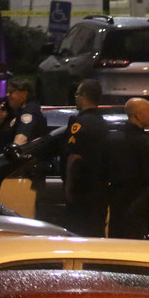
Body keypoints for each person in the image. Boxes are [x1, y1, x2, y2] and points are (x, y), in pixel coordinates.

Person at [107, 97, 149, 238]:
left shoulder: (113, 138)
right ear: (138, 115)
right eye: (148, 111)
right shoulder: (145, 141)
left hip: (116, 198)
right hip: (138, 198)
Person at [63, 78, 110, 236]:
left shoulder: (79, 123)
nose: (75, 98)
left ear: (83, 96)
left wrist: (69, 189)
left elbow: (73, 158)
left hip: (81, 193)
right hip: (100, 192)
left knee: (76, 236)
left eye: (77, 95)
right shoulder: (104, 124)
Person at [0, 78, 48, 151]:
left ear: (24, 94)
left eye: (12, 92)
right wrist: (2, 119)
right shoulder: (16, 111)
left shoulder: (29, 112)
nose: (8, 95)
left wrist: (13, 152)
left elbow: (19, 143)